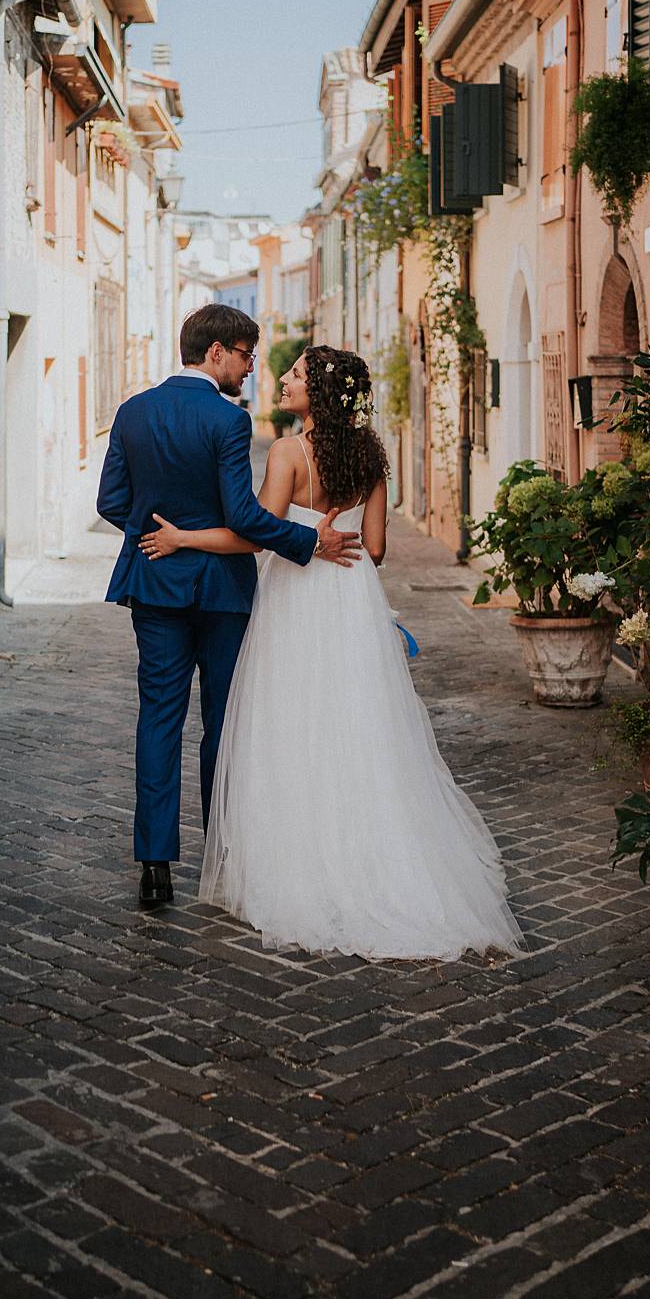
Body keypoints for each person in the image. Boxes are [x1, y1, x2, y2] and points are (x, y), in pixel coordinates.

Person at [139, 344, 522, 961]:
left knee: (291, 723)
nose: (283, 380)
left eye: (293, 375)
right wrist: (331, 540)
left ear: (317, 391)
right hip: (350, 599)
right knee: (358, 724)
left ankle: (299, 856)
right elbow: (374, 549)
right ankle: (369, 851)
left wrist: (184, 536)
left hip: (295, 595)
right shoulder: (371, 455)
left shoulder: (288, 453)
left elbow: (254, 537)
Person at [96, 306, 361, 908]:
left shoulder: (133, 412)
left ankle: (155, 866)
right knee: (225, 721)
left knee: (158, 717)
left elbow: (111, 500)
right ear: (216, 352)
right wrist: (306, 541)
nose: (250, 368)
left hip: (155, 581)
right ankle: (222, 850)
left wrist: (152, 535)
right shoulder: (226, 420)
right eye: (244, 355)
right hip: (222, 589)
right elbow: (242, 517)